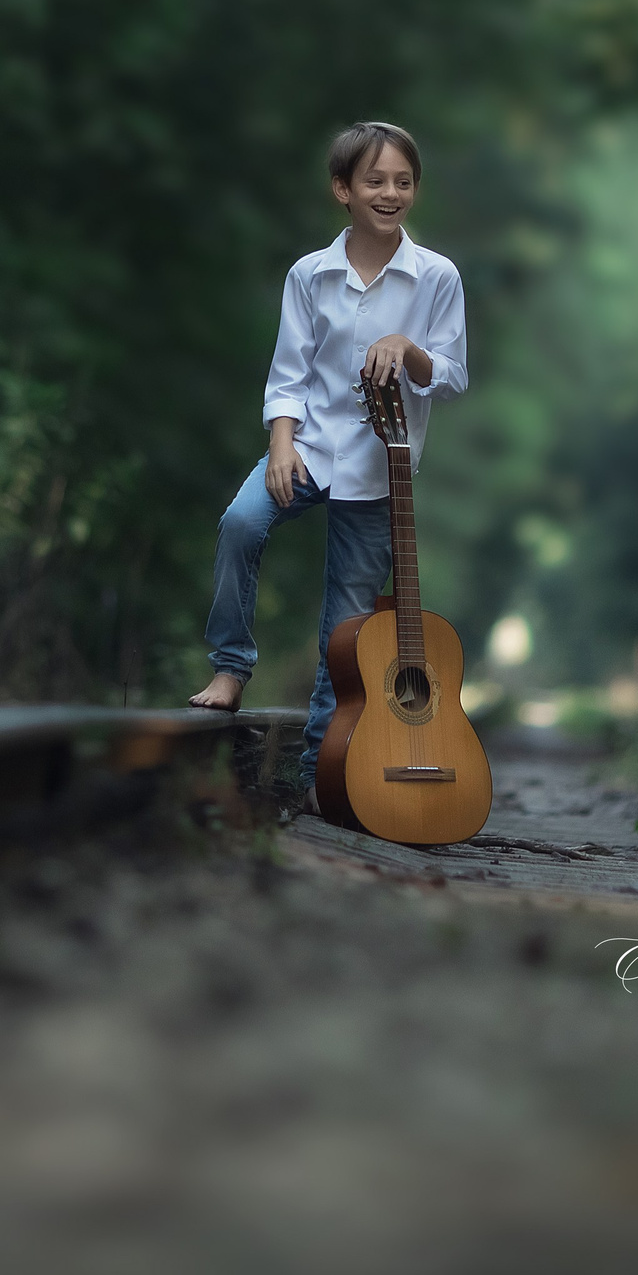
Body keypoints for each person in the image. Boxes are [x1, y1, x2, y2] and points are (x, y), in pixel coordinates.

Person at [186, 121, 469, 809]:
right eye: (375, 180)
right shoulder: (310, 274)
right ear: (343, 189)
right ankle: (230, 667)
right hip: (309, 447)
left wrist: (407, 347)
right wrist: (280, 445)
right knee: (240, 522)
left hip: (382, 468)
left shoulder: (436, 276)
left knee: (344, 631)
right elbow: (288, 373)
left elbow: (453, 375)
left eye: (403, 181)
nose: (391, 193)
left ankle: (320, 773)